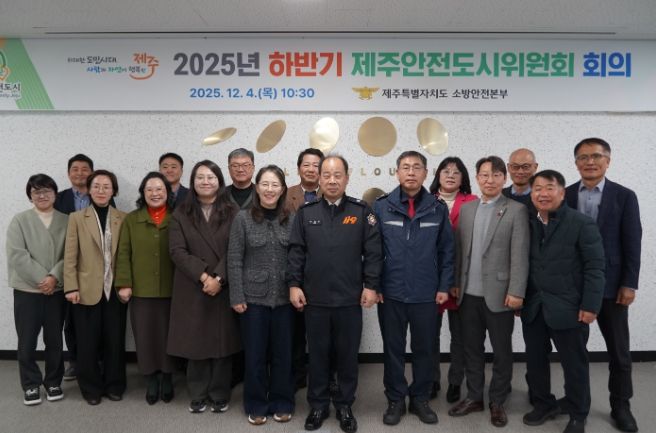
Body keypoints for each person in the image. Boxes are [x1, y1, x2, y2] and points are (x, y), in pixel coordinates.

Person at [288, 155, 383, 433]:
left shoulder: (361, 211)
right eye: (326, 175)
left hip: (349, 300)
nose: (332, 180)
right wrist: (294, 284)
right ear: (319, 178)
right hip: (315, 300)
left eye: (337, 175)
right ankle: (318, 405)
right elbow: (296, 251)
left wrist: (371, 285)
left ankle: (344, 405)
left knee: (347, 356)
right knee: (317, 355)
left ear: (347, 178)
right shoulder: (306, 212)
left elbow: (374, 252)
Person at [565, 137, 642, 433]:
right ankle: (577, 409)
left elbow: (632, 242)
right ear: (576, 163)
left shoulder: (625, 196)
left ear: (607, 161)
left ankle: (621, 406)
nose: (590, 162)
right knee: (575, 354)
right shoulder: (565, 195)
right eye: (583, 157)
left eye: (596, 156)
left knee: (619, 353)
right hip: (574, 287)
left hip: (612, 287)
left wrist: (629, 283)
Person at [374, 151, 454, 426]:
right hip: (391, 292)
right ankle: (396, 399)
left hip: (426, 293)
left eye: (416, 167)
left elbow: (447, 251)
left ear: (426, 173)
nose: (411, 172)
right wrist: (375, 285)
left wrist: (444, 286)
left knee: (425, 349)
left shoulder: (437, 208)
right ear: (397, 172)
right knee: (392, 349)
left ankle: (420, 398)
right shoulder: (382, 207)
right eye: (405, 167)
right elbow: (373, 251)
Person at [448, 156, 529, 428]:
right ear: (477, 178)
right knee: (471, 349)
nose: (490, 180)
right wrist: (455, 282)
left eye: (496, 175)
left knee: (502, 351)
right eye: (484, 175)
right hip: (467, 294)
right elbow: (459, 250)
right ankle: (474, 397)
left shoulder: (516, 210)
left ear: (504, 178)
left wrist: (517, 291)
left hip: (500, 295)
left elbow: (520, 255)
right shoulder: (467, 209)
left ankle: (497, 400)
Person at [522, 170, 605, 433]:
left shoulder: (581, 223)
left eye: (549, 187)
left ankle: (578, 412)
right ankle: (543, 403)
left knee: (574, 364)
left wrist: (590, 306)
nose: (543, 194)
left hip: (569, 307)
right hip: (534, 306)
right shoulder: (529, 222)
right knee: (535, 360)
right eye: (537, 189)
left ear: (562, 192)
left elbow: (595, 267)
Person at [166, 160, 241, 414]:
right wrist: (203, 276)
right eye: (200, 177)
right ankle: (197, 394)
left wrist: (218, 278)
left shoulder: (232, 211)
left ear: (219, 181)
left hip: (223, 285)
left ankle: (220, 393)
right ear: (193, 182)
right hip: (192, 285)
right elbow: (177, 251)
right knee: (195, 341)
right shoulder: (181, 212)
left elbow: (237, 249)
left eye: (210, 177)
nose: (205, 182)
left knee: (222, 344)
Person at [228, 165, 295, 425]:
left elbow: (299, 257)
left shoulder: (292, 217)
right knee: (255, 356)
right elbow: (234, 259)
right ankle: (256, 403)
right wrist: (236, 296)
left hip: (285, 299)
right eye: (265, 184)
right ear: (257, 188)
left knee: (283, 355)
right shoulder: (243, 219)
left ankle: (282, 401)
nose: (269, 189)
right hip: (252, 299)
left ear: (282, 189)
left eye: (275, 185)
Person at [63, 169, 126, 405]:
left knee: (115, 342)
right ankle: (90, 388)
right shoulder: (77, 218)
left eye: (106, 186)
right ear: (89, 189)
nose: (101, 190)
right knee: (87, 342)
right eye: (96, 186)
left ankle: (114, 385)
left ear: (113, 191)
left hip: (115, 290)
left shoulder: (123, 217)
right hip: (85, 289)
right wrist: (71, 286)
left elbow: (126, 255)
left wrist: (126, 284)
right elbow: (70, 256)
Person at [115, 172, 177, 405]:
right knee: (145, 336)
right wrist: (124, 283)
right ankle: (150, 379)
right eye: (149, 189)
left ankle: (168, 377)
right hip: (141, 290)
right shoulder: (132, 220)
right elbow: (123, 253)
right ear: (143, 193)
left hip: (173, 290)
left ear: (167, 192)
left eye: (159, 189)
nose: (155, 193)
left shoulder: (178, 217)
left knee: (169, 335)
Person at [6, 174, 68, 405]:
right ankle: (30, 384)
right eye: (36, 191)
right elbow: (17, 255)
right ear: (30, 195)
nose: (42, 195)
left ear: (55, 194)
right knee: (27, 340)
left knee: (55, 340)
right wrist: (43, 279)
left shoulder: (67, 220)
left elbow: (71, 254)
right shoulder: (19, 220)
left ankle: (53, 382)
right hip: (27, 292)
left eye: (47, 191)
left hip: (56, 291)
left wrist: (54, 277)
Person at [428, 156, 477, 403]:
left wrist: (458, 279)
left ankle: (456, 381)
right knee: (430, 334)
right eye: (445, 171)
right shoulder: (426, 201)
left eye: (456, 172)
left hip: (461, 278)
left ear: (463, 178)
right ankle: (432, 379)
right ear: (437, 175)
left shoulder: (473, 202)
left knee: (460, 335)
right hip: (431, 279)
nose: (450, 175)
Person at [284, 147, 324, 391]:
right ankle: (298, 374)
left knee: (323, 331)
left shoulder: (332, 194)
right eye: (306, 165)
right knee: (295, 329)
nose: (311, 169)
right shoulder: (285, 195)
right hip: (294, 269)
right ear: (298, 168)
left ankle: (325, 375)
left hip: (322, 273)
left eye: (316, 165)